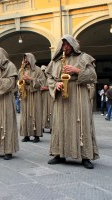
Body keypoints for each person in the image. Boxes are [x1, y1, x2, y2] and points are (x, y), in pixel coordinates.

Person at [46, 34, 99, 169]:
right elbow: (50, 78)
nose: (66, 47)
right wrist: (55, 85)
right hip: (61, 98)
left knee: (82, 124)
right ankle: (59, 154)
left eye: (68, 44)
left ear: (73, 45)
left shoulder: (83, 57)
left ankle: (86, 156)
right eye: (63, 45)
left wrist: (77, 70)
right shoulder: (55, 61)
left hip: (79, 94)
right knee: (59, 124)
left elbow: (93, 76)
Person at [18, 53, 46, 143]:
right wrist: (21, 83)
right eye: (24, 59)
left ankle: (37, 135)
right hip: (25, 95)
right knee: (25, 115)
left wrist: (30, 79)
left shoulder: (38, 70)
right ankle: (26, 135)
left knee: (35, 114)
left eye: (27, 59)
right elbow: (18, 81)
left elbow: (43, 82)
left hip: (35, 95)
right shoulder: (21, 70)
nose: (25, 61)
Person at [40, 65, 53, 133]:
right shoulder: (41, 78)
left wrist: (46, 88)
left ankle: (51, 127)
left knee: (51, 111)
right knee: (43, 111)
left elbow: (53, 85)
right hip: (42, 96)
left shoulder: (50, 77)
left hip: (50, 96)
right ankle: (42, 126)